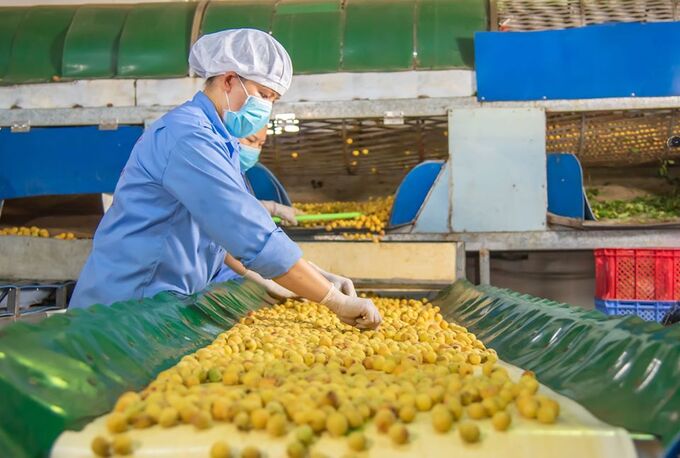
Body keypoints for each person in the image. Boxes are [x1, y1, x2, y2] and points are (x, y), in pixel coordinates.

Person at [70, 29, 381, 330]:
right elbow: (248, 232)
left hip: (152, 306)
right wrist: (333, 301)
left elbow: (228, 235)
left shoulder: (220, 141)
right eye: (263, 94)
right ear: (230, 80)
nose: (267, 108)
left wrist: (319, 275)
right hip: (124, 308)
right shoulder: (191, 138)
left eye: (273, 99)